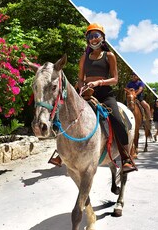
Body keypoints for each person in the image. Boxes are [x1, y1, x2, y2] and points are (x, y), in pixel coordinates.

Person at [49, 23, 136, 173]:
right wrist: (82, 86)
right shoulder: (85, 57)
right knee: (65, 115)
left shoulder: (109, 56)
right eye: (90, 36)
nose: (93, 39)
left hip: (105, 93)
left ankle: (126, 158)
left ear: (102, 38)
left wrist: (99, 82)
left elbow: (115, 79)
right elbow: (80, 78)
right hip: (87, 92)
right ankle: (61, 153)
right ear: (88, 40)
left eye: (96, 35)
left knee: (117, 120)